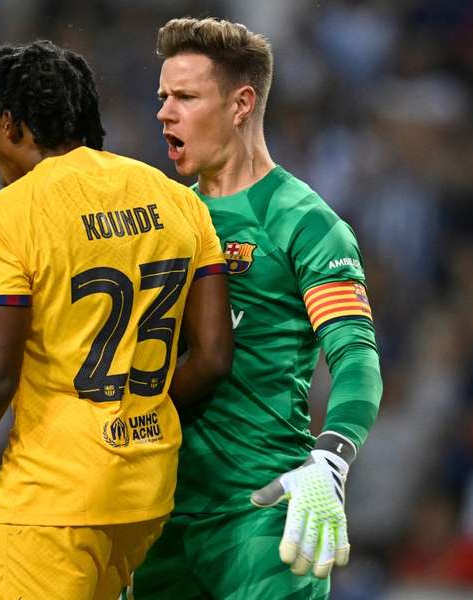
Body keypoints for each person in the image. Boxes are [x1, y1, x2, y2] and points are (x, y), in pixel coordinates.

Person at [0, 40, 234, 600]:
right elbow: (211, 357)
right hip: (143, 494)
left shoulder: (5, 216)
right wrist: (134, 413)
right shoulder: (178, 201)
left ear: (14, 127)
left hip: (50, 503)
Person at [128, 17, 384, 599]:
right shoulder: (163, 217)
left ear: (242, 103)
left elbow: (356, 358)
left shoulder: (306, 224)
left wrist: (333, 458)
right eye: (162, 97)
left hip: (260, 518)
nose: (164, 113)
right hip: (157, 514)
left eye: (185, 97)